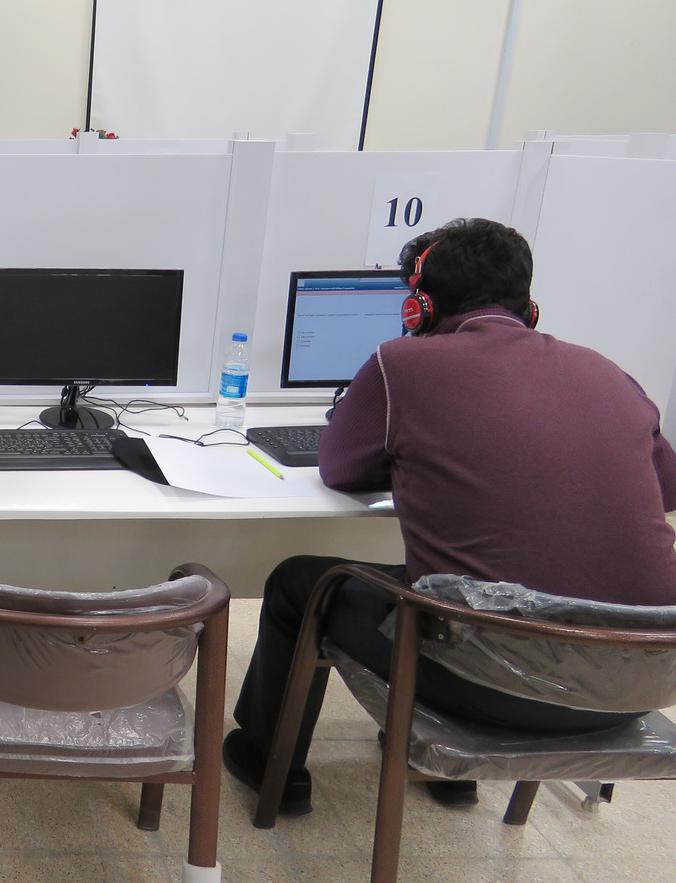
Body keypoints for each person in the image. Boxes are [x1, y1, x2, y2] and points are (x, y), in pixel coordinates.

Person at [222, 218, 676, 814]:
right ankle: (448, 775)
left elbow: (341, 468)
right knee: (456, 585)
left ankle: (273, 770)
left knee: (299, 581)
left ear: (419, 307)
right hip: (636, 681)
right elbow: (666, 487)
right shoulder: (608, 372)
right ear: (529, 307)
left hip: (488, 681)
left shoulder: (402, 363)